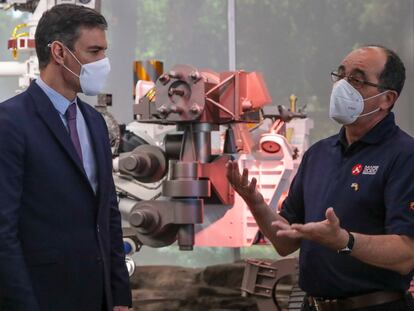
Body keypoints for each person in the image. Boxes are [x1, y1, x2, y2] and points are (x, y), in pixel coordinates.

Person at [227, 45, 414, 311]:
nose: (342, 87)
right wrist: (255, 203)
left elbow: (406, 255)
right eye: (340, 75)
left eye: (357, 79)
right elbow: (285, 241)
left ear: (386, 99)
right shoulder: (319, 154)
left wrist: (344, 241)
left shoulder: (404, 155)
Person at [0, 4, 132, 311]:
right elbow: (2, 231)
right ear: (59, 52)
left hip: (97, 297)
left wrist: (119, 294)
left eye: (104, 52)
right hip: (41, 296)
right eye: (94, 51)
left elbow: (107, 213)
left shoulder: (95, 121)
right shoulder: (10, 123)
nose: (104, 63)